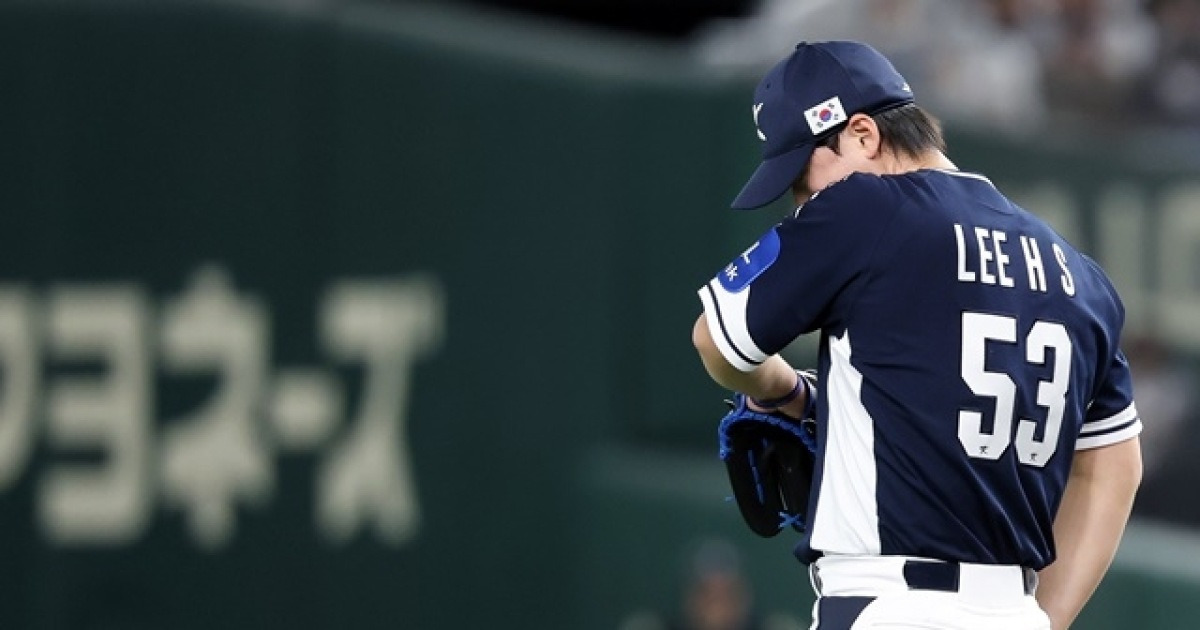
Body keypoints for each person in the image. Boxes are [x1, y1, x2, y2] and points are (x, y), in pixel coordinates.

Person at [691, 40, 1143, 630]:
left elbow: (716, 341)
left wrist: (783, 391)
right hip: (1014, 610)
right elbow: (1115, 463)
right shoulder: (1079, 272)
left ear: (861, 134)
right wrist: (1045, 619)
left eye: (802, 176)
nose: (802, 201)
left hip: (890, 604)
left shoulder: (867, 208)